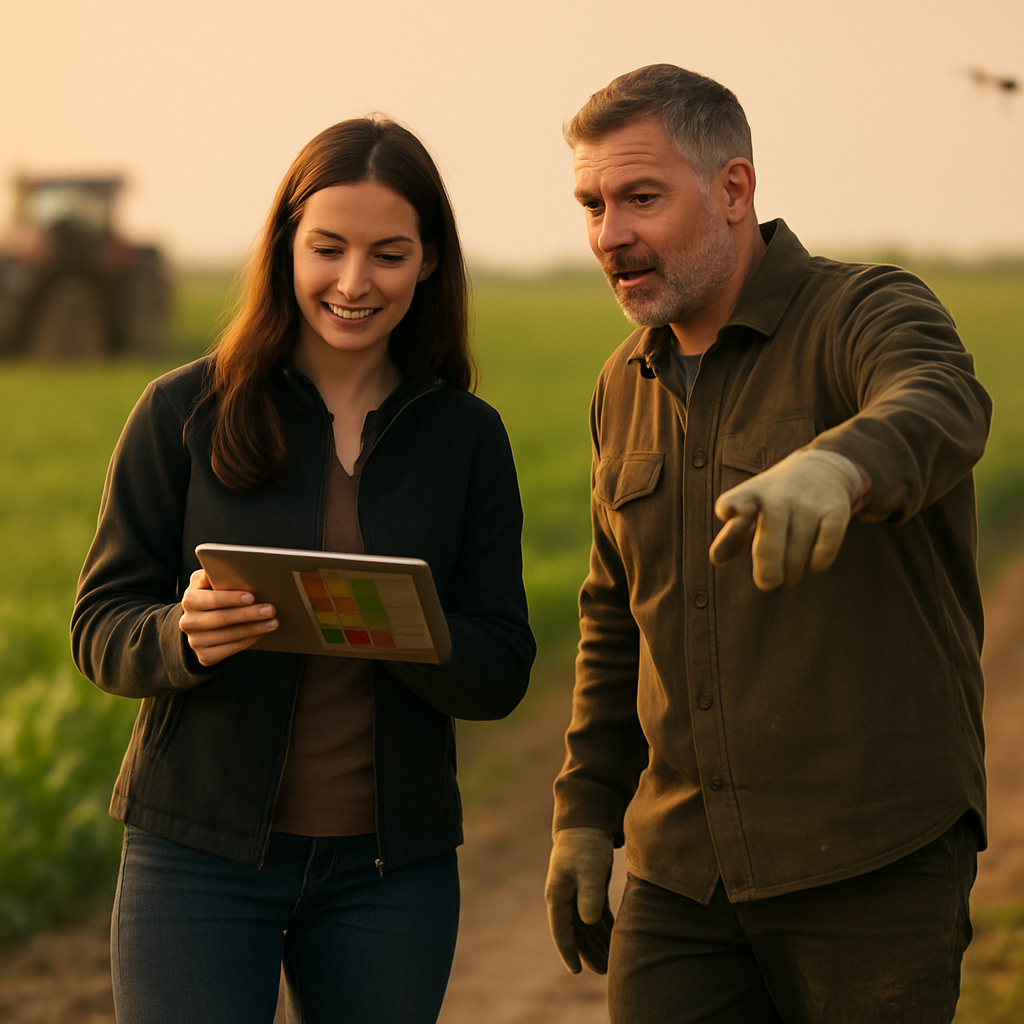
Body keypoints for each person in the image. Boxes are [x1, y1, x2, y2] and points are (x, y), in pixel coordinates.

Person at [544, 64, 991, 1024]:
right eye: (592, 204)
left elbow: (941, 400)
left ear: (735, 190)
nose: (609, 235)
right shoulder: (623, 384)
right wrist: (584, 815)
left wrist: (842, 466)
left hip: (868, 858)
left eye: (641, 198)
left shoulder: (863, 311)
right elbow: (615, 617)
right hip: (683, 874)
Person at [72, 116, 535, 1024]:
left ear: (430, 262)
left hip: (389, 876)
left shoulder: (466, 439)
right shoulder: (183, 411)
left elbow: (504, 664)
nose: (354, 283)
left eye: (389, 254)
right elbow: (101, 625)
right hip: (195, 860)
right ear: (285, 244)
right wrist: (179, 635)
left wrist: (404, 629)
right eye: (327, 248)